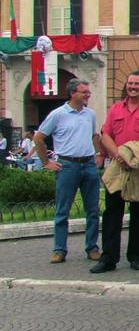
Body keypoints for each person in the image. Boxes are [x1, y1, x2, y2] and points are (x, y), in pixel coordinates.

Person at [92, 71, 139, 273]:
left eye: (137, 84)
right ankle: (108, 258)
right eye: (130, 83)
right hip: (118, 165)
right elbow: (106, 135)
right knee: (112, 212)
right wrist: (119, 155)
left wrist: (133, 155)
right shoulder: (115, 108)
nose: (132, 87)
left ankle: (136, 256)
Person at [34, 78, 103, 264]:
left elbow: (94, 135)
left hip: (88, 165)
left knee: (93, 211)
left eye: (88, 91)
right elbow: (39, 138)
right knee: (62, 211)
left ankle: (92, 247)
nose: (88, 94)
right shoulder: (57, 114)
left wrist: (98, 154)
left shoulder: (90, 114)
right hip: (67, 166)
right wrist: (46, 162)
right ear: (73, 93)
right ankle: (59, 249)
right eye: (84, 92)